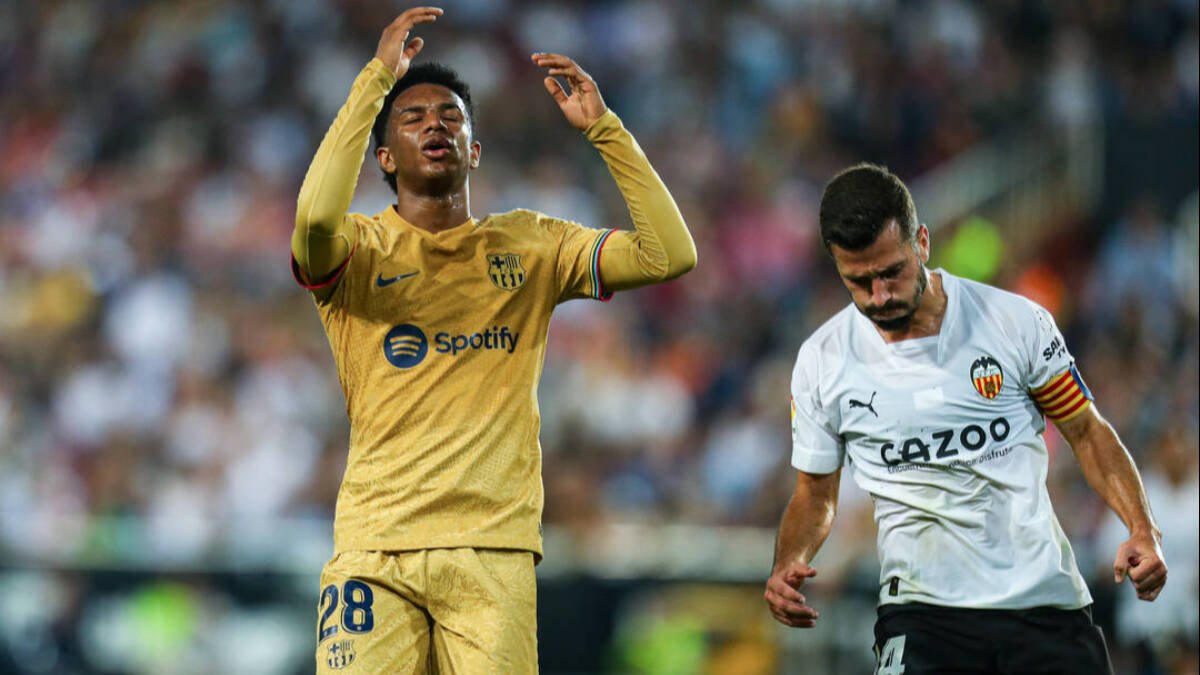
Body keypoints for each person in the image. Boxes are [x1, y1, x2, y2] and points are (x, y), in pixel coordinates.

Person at [291, 7, 696, 673]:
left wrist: (605, 130)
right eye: (414, 117)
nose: (436, 125)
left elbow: (668, 254)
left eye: (451, 116)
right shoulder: (357, 250)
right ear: (385, 155)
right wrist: (372, 85)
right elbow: (311, 219)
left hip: (491, 549)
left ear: (474, 150)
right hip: (374, 545)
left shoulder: (531, 244)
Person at [763, 163, 1166, 674]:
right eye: (859, 282)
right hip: (921, 614)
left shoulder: (1013, 322)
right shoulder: (823, 360)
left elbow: (1085, 430)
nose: (880, 295)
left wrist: (1141, 528)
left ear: (922, 243)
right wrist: (787, 561)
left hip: (1042, 603)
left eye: (892, 272)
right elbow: (815, 493)